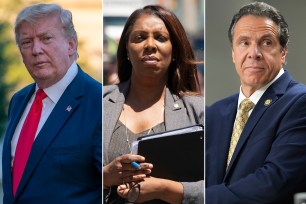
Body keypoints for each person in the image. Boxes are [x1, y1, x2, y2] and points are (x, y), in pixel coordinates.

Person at [206, 2, 306, 204]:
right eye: (244, 43)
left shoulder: (299, 103)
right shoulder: (214, 113)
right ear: (233, 54)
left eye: (266, 42)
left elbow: (274, 182)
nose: (254, 53)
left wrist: (198, 198)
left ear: (283, 52)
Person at [103, 5, 204, 204]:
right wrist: (105, 177)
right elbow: (66, 174)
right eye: (140, 37)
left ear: (174, 50)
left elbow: (220, 185)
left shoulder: (198, 112)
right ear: (126, 49)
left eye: (160, 37)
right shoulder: (98, 102)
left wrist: (166, 189)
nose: (150, 45)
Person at [2, 4, 102, 204]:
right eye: (27, 42)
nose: (36, 50)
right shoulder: (18, 100)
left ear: (71, 45)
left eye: (46, 38)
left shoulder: (98, 101)